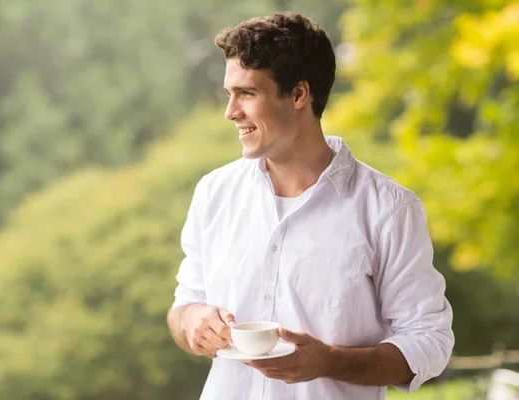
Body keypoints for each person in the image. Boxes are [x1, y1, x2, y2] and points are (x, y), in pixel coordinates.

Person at [167, 11, 454, 400]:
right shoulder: (213, 193)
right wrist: (193, 323)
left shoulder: (389, 210)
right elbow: (183, 307)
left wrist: (329, 361)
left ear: (300, 95)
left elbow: (429, 340)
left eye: (247, 93)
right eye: (229, 94)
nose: (230, 111)